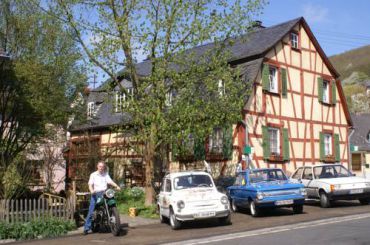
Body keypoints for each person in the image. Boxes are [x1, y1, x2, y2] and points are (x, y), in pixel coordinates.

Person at [84, 161, 121, 235]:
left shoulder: (105, 174)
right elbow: (90, 184)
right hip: (96, 193)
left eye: (102, 166)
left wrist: (116, 186)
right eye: (100, 166)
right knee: (91, 211)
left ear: (104, 167)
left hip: (105, 192)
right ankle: (86, 228)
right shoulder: (93, 175)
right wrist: (91, 190)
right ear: (97, 166)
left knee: (112, 202)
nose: (101, 168)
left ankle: (114, 218)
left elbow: (110, 181)